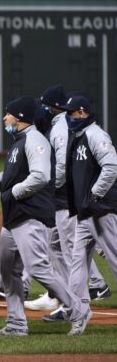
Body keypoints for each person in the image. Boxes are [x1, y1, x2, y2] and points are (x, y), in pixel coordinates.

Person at [0, 96, 90, 336]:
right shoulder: (19, 140)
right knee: (9, 270)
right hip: (15, 216)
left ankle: (79, 310)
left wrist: (13, 192)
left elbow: (41, 176)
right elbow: (17, 174)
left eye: (8, 113)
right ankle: (16, 324)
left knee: (39, 267)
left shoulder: (35, 140)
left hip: (30, 215)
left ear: (19, 117)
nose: (4, 118)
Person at [27, 87, 111, 319]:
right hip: (70, 201)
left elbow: (63, 165)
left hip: (68, 201)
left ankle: (79, 299)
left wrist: (51, 186)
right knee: (63, 248)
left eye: (44, 105)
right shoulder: (62, 125)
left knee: (80, 250)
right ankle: (75, 299)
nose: (40, 109)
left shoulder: (63, 128)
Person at [64, 96, 117, 315]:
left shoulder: (96, 135)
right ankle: (79, 310)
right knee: (77, 260)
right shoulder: (78, 135)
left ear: (82, 113)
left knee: (114, 256)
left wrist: (95, 195)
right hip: (86, 212)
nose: (68, 116)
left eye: (71, 113)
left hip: (101, 209)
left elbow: (112, 166)